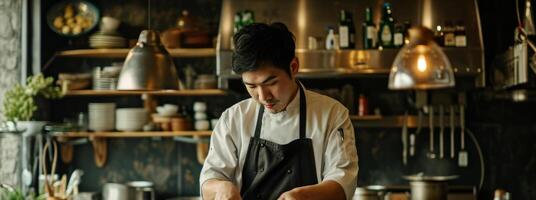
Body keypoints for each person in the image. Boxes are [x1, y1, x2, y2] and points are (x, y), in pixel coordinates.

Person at [200, 22, 358, 200]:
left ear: (293, 67)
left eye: (271, 83)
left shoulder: (332, 114)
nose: (262, 96)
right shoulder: (233, 118)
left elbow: (343, 183)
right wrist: (222, 188)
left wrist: (303, 196)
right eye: (251, 86)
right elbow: (209, 180)